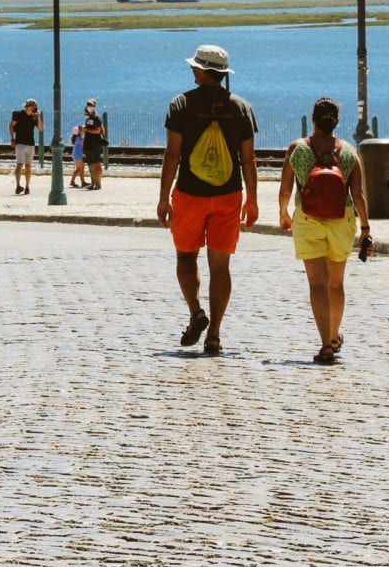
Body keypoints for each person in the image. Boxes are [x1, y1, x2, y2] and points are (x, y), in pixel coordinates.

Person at [157, 45, 259, 356]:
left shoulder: (181, 104)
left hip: (189, 194)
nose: (192, 70)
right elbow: (248, 159)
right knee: (220, 266)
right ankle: (214, 334)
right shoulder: (241, 107)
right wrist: (252, 199)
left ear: (202, 71)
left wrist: (164, 198)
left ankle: (196, 313)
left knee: (186, 258)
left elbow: (173, 154)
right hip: (228, 196)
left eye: (195, 67)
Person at [277, 97, 370, 364]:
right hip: (342, 220)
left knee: (317, 283)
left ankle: (325, 344)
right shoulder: (350, 152)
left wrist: (284, 213)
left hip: (307, 218)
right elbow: (359, 194)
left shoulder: (298, 149)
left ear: (313, 119)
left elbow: (286, 189)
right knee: (336, 283)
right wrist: (365, 228)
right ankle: (334, 335)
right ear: (336, 123)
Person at [9, 99, 40, 195]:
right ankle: (18, 185)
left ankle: (27, 186)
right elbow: (11, 126)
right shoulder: (18, 114)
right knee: (19, 164)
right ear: (28, 106)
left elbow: (41, 129)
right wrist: (12, 139)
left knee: (28, 166)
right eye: (33, 106)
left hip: (30, 143)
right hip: (20, 143)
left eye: (35, 106)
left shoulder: (34, 117)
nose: (35, 108)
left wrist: (38, 117)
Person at [80, 99, 106, 190]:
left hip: (95, 144)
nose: (89, 107)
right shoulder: (89, 118)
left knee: (97, 164)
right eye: (88, 105)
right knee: (91, 164)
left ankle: (98, 184)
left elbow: (98, 130)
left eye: (91, 105)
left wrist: (86, 130)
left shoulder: (97, 117)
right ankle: (93, 183)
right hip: (88, 144)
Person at [69, 123, 89, 188]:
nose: (83, 129)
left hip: (76, 154)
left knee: (78, 169)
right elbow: (84, 144)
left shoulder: (77, 137)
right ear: (79, 131)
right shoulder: (79, 138)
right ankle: (83, 182)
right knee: (81, 167)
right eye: (81, 129)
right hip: (77, 154)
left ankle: (72, 181)